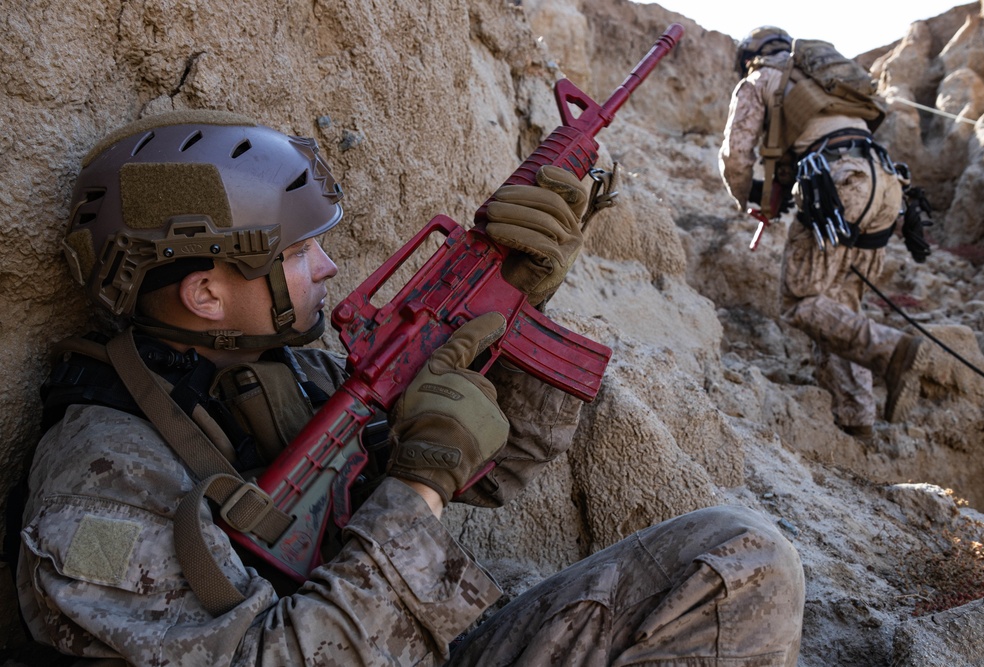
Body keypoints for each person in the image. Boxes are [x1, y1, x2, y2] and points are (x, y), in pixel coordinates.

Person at [16, 109, 805, 665]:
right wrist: (420, 487)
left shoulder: (282, 376)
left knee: (744, 555)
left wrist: (513, 306)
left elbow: (499, 468)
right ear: (206, 294)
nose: (327, 265)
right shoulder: (94, 504)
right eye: (299, 251)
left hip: (413, 642)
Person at [719, 26, 934, 444]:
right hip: (886, 185)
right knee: (837, 305)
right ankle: (858, 419)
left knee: (800, 300)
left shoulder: (759, 77)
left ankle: (891, 350)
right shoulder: (824, 79)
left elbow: (736, 155)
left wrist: (747, 198)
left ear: (750, 54)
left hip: (834, 183)